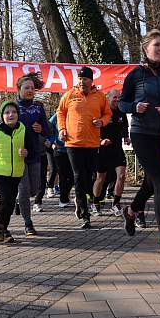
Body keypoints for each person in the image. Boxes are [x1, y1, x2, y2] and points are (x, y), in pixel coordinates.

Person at [119, 29, 160, 259]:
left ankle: (130, 211)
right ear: (146, 49)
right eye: (156, 45)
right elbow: (122, 103)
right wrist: (133, 107)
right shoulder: (136, 75)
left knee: (151, 183)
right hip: (141, 133)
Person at [58, 67, 112, 229]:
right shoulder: (69, 95)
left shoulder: (100, 97)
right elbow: (60, 112)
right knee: (78, 175)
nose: (82, 81)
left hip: (92, 142)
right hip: (73, 142)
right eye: (80, 79)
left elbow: (108, 114)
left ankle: (80, 200)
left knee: (89, 176)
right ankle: (84, 212)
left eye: (85, 79)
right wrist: (62, 129)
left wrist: (102, 122)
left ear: (91, 81)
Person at [0, 101, 32, 242]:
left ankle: (4, 229)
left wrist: (26, 152)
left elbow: (31, 148)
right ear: (2, 116)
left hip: (16, 172)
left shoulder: (23, 130)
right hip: (0, 172)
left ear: (18, 115)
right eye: (7, 112)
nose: (11, 115)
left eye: (14, 112)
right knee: (6, 198)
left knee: (10, 201)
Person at [15, 74, 50, 235]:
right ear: (19, 89)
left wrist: (41, 129)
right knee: (24, 190)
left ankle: (18, 200)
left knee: (34, 190)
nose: (30, 91)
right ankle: (28, 223)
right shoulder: (13, 107)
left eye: (32, 88)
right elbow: (4, 128)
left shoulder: (38, 108)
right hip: (18, 154)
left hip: (35, 153)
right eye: (26, 88)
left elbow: (49, 130)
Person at [91, 89, 129, 217]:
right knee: (100, 178)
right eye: (115, 97)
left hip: (117, 149)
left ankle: (115, 204)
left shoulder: (121, 112)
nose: (117, 100)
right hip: (102, 150)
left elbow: (125, 126)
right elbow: (93, 129)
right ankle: (95, 203)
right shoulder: (102, 112)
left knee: (122, 175)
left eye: (119, 97)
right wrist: (100, 141)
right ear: (108, 98)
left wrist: (126, 137)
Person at [49, 114, 74, 208]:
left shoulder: (74, 114)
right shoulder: (55, 118)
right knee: (63, 176)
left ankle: (65, 194)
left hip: (72, 149)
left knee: (72, 176)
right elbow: (48, 131)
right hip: (59, 150)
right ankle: (63, 199)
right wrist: (52, 142)